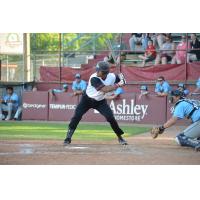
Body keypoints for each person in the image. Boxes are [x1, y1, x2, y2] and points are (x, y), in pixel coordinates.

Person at [63, 61, 127, 145]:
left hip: (100, 102)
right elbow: (105, 89)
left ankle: (120, 137)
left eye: (98, 70)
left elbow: (120, 78)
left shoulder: (111, 76)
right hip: (87, 100)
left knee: (110, 118)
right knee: (77, 116)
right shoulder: (93, 78)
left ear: (104, 73)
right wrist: (119, 84)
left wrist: (123, 79)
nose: (96, 71)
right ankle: (68, 138)